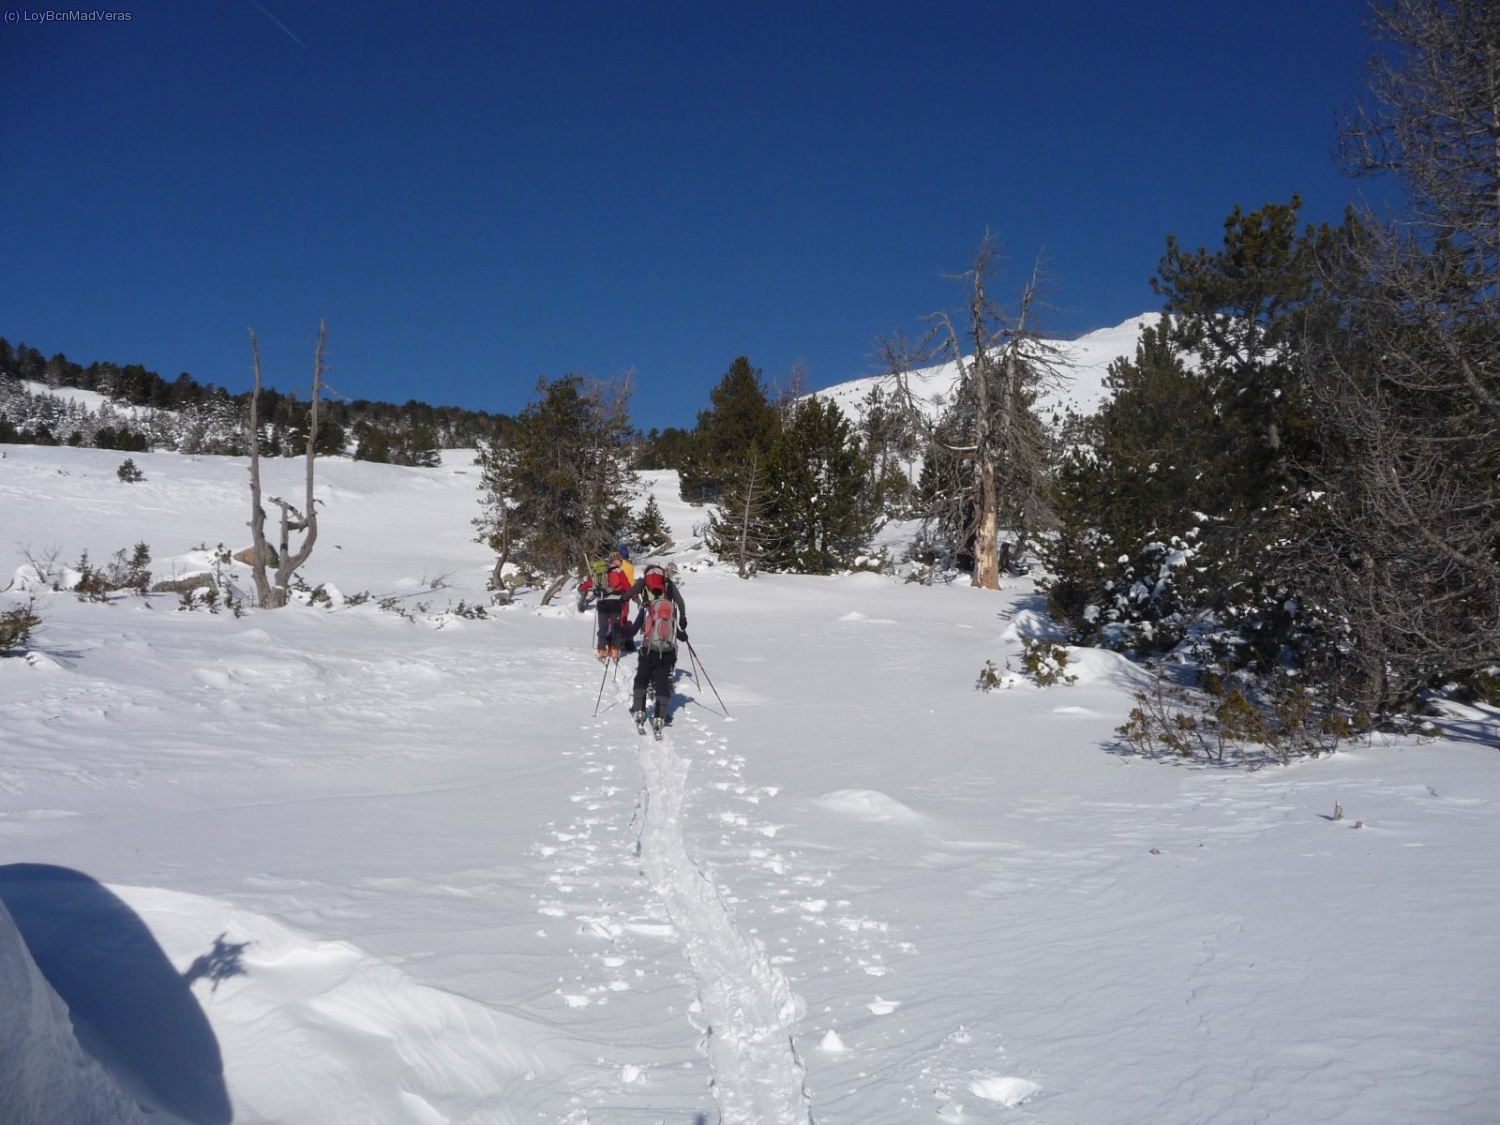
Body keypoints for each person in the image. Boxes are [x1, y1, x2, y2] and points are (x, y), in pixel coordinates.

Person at [630, 563, 688, 730]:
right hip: (667, 630)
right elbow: (680, 601)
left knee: (642, 674)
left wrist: (623, 600)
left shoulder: (644, 583)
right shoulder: (667, 582)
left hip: (649, 632)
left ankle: (639, 709)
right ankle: (661, 713)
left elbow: (630, 593)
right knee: (663, 676)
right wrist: (682, 620)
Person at [578, 557, 634, 659]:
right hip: (616, 602)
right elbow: (627, 586)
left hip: (602, 602)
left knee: (603, 627)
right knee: (615, 627)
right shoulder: (618, 571)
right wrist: (634, 597)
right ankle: (614, 650)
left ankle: (601, 650)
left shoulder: (599, 572)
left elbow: (589, 584)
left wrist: (581, 587)